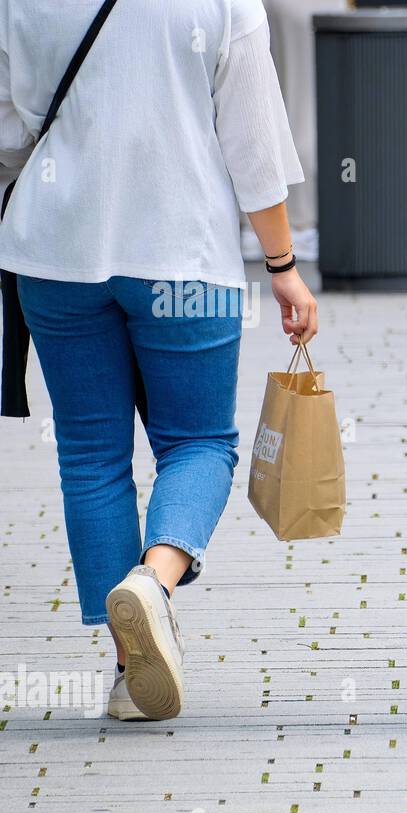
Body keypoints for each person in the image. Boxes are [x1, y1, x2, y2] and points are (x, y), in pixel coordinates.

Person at [0, 0, 318, 721]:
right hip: (184, 255)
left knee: (90, 453)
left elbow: (10, 130)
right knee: (198, 441)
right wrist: (283, 265)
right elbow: (255, 146)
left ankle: (127, 670)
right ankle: (155, 580)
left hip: (54, 256)